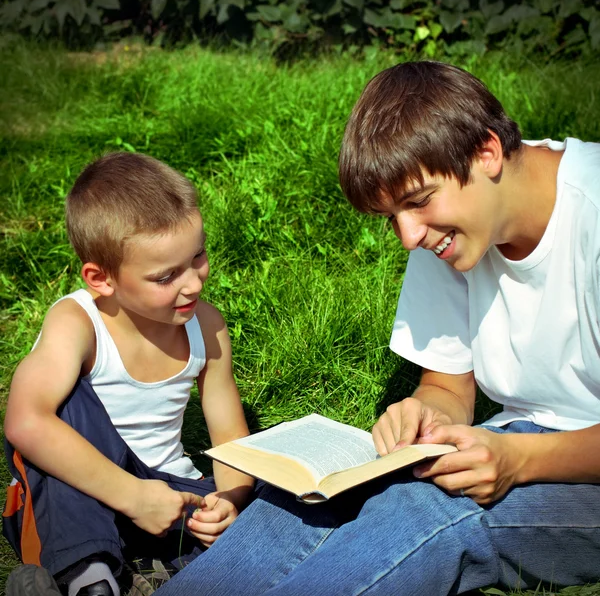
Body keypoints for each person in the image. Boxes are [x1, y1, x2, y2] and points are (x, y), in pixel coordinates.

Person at [151, 61, 600, 596]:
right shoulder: (451, 229)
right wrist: (423, 413)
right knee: (309, 499)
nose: (408, 237)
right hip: (515, 438)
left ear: (486, 151)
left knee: (427, 512)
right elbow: (448, 384)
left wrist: (519, 460)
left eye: (416, 203)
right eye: (391, 216)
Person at [2, 152, 255, 596]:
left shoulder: (207, 326)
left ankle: (154, 574)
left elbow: (231, 438)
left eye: (198, 256)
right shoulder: (78, 323)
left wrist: (228, 500)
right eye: (166, 276)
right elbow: (24, 421)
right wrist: (132, 497)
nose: (193, 283)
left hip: (168, 494)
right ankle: (90, 581)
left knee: (276, 488)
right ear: (101, 279)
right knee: (62, 410)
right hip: (82, 494)